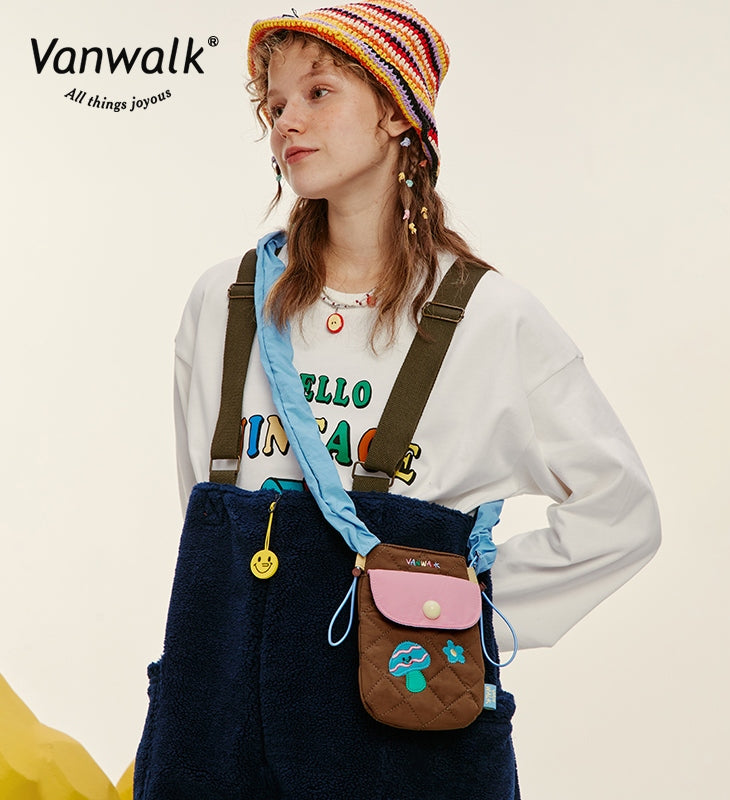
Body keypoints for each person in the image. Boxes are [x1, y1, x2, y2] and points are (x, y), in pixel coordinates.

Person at [134, 2, 661, 798]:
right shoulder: (227, 300)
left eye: (319, 93)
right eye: (275, 106)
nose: (286, 122)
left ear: (393, 112)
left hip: (404, 725)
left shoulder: (492, 320)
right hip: (215, 717)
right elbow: (204, 512)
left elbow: (621, 512)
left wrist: (467, 609)